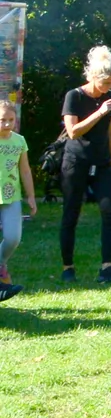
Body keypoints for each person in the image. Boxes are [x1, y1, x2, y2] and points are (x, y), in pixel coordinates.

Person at [58, 44, 111, 285]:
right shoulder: (74, 96)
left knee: (109, 211)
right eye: (106, 83)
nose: (110, 88)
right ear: (94, 77)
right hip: (76, 162)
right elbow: (73, 132)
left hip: (103, 163)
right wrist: (97, 113)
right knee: (71, 212)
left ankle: (107, 267)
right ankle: (68, 267)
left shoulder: (110, 97)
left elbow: (109, 131)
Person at [0, 96, 32, 303]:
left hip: (12, 196)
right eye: (3, 120)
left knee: (13, 237)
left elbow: (25, 170)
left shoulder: (19, 141)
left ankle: (1, 263)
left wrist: (31, 196)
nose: (7, 124)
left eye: (11, 120)